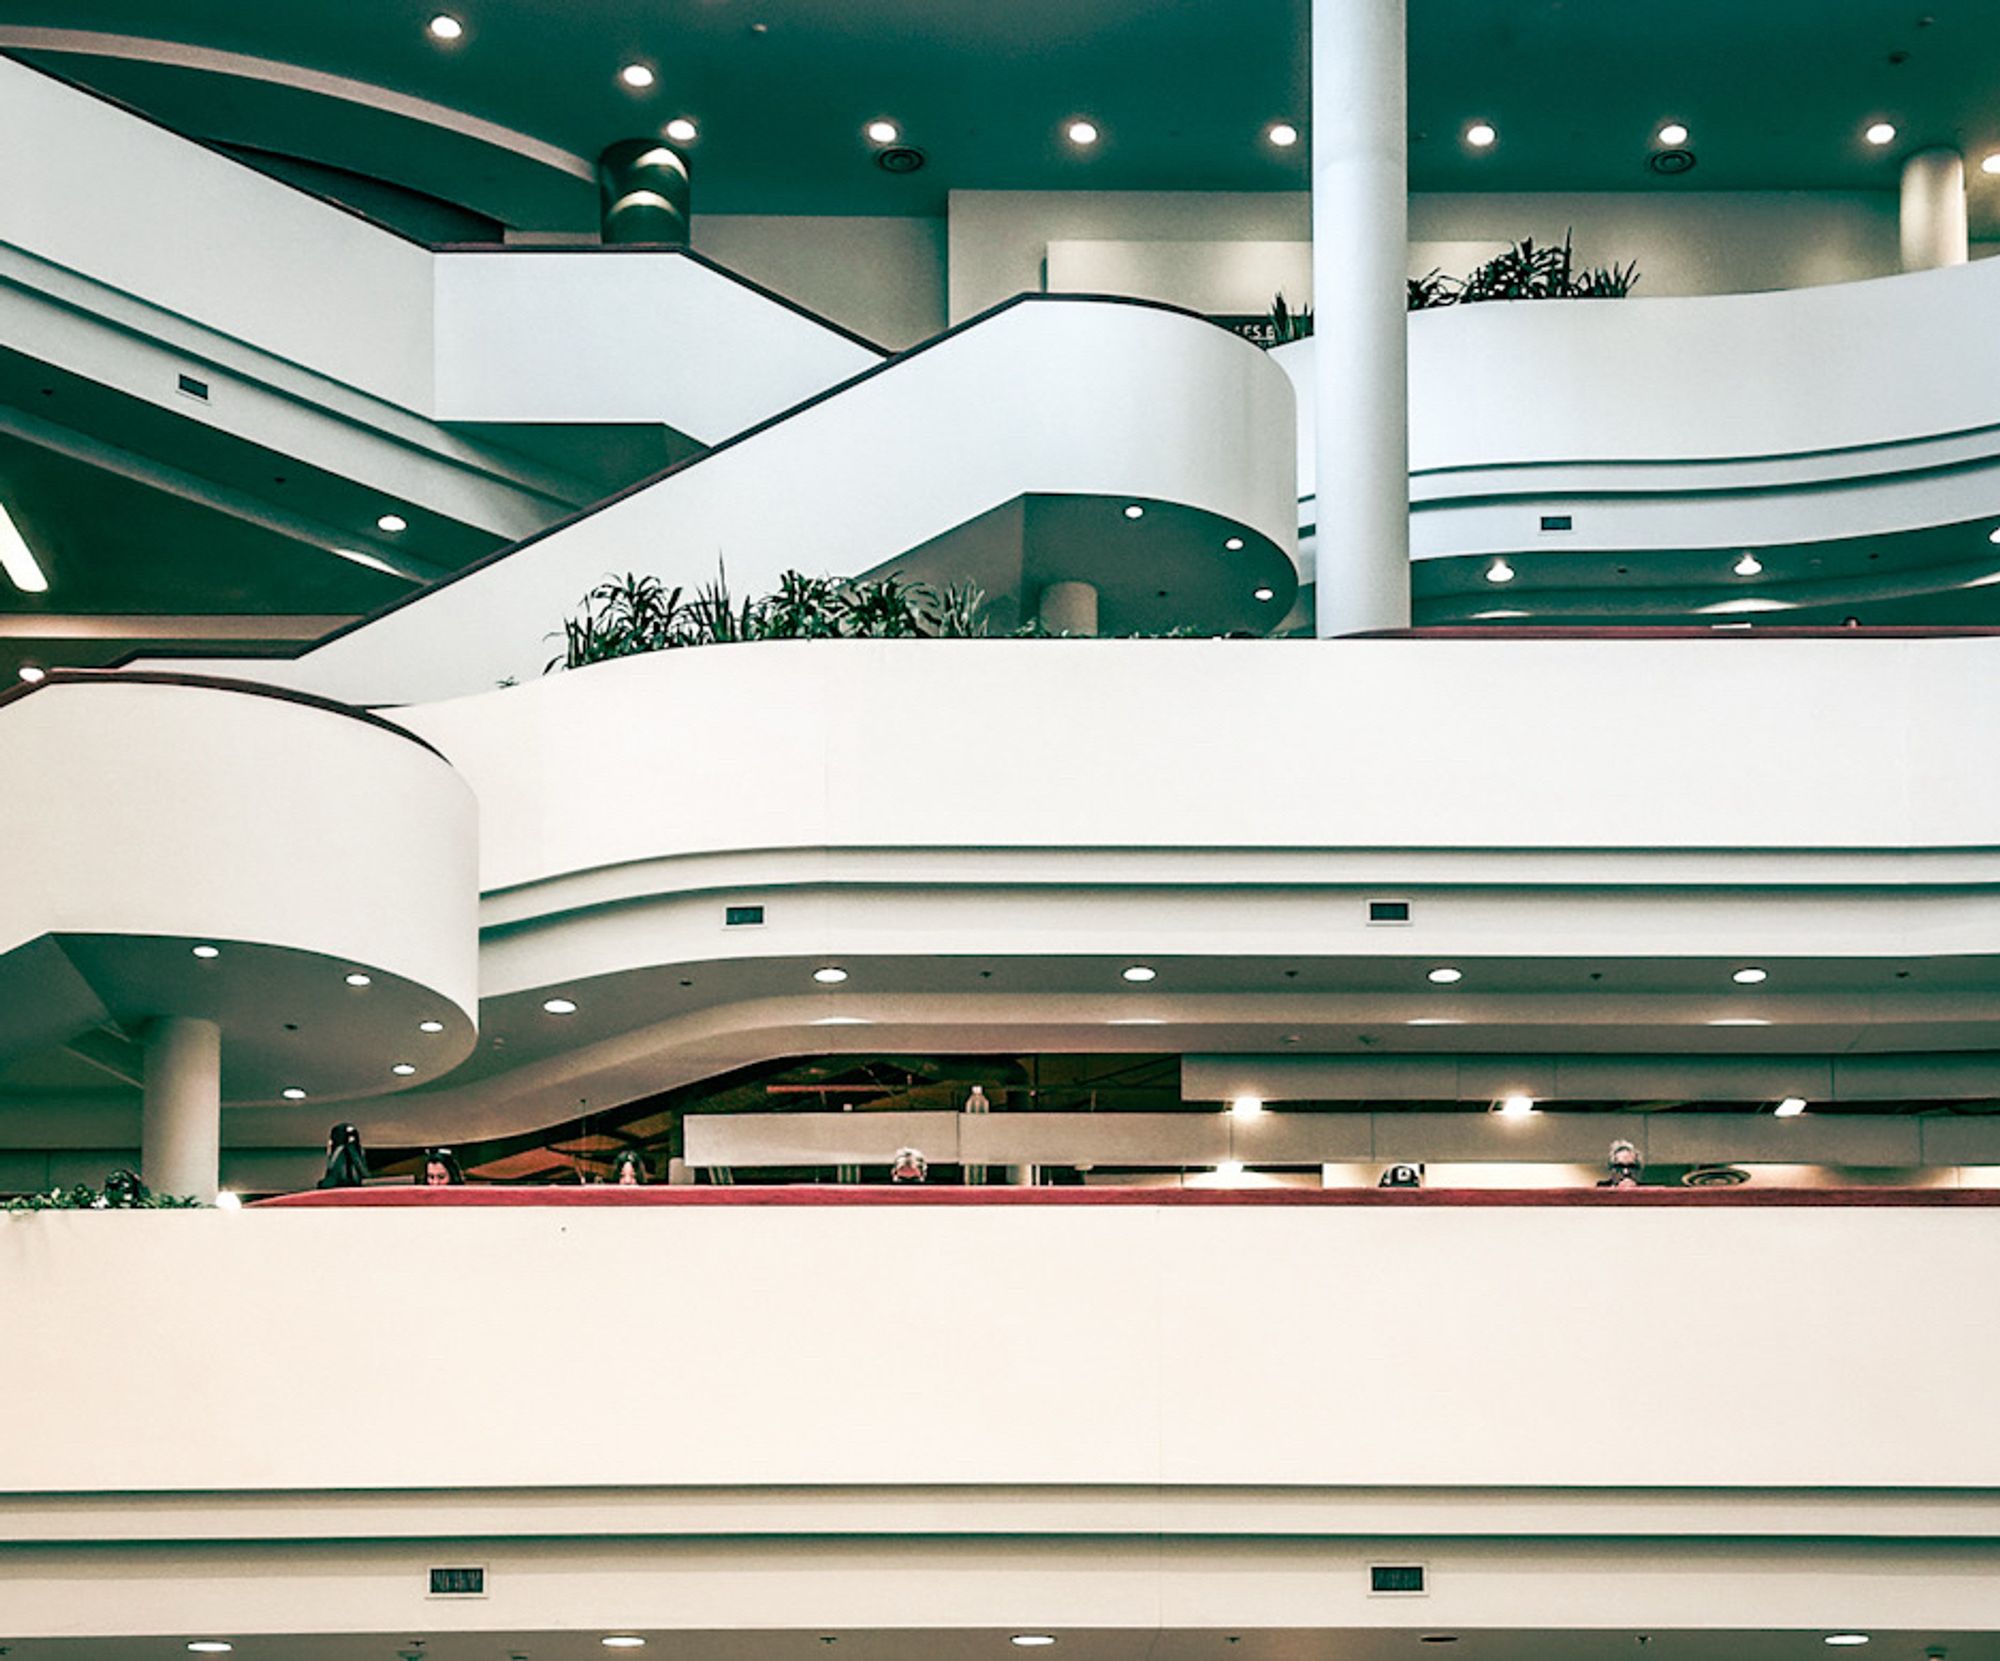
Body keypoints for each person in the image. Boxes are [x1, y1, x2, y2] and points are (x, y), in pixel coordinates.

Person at [317, 1122, 369, 1190]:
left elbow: (332, 1166)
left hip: (343, 1181)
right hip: (353, 1181)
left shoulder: (341, 1150)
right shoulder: (355, 1149)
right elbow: (362, 1170)